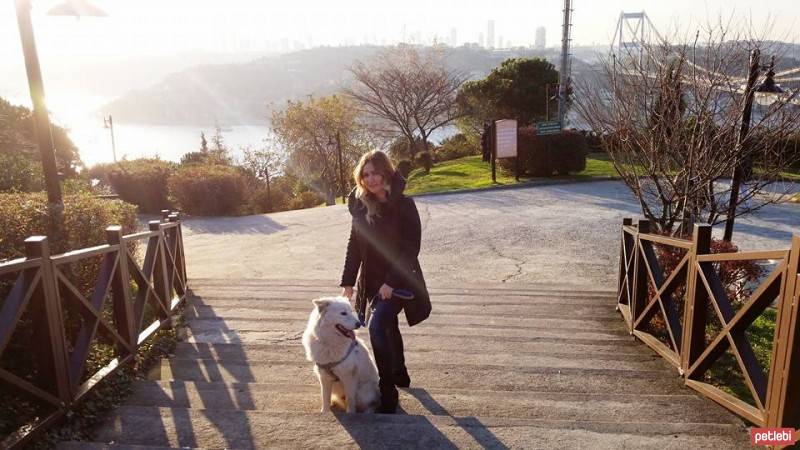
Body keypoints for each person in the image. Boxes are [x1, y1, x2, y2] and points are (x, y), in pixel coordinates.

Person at [340, 150, 431, 414]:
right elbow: (354, 246)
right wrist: (348, 281)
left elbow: (410, 248)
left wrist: (390, 282)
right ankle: (400, 373)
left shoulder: (404, 205)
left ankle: (388, 392)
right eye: (365, 175)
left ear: (386, 172)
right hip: (372, 281)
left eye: (375, 173)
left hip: (401, 280)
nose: (371, 179)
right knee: (388, 326)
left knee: (377, 325)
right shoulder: (360, 206)